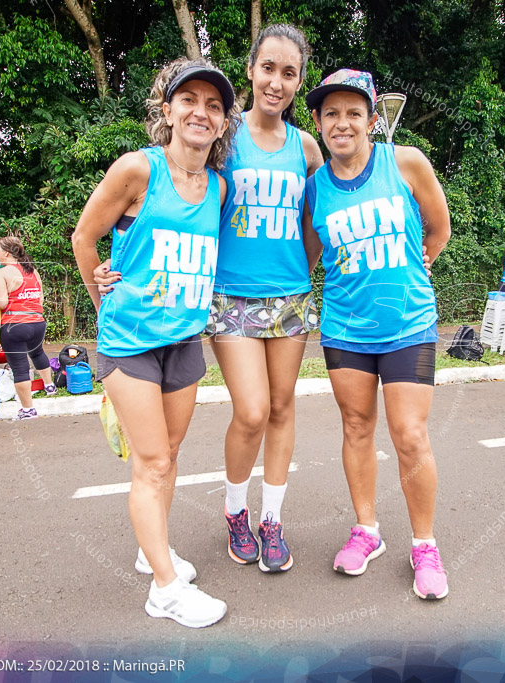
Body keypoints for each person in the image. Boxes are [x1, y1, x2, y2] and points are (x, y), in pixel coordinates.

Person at [72, 58, 237, 628]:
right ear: (166, 111)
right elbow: (84, 237)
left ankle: (153, 551)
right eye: (188, 99)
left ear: (222, 124)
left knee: (170, 456)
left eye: (213, 105)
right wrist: (102, 298)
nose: (201, 111)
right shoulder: (137, 171)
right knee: (152, 461)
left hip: (185, 342)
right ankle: (165, 591)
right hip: (131, 344)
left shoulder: (218, 187)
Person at [303, 69, 452, 600]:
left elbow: (439, 226)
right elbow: (305, 255)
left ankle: (425, 546)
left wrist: (422, 260)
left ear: (370, 119)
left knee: (410, 434)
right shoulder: (314, 187)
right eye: (331, 113)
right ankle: (367, 531)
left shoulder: (405, 162)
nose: (342, 123)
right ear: (318, 122)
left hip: (409, 325)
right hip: (345, 329)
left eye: (353, 113)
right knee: (356, 427)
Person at [206, 24, 324, 574]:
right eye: (268, 68)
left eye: (289, 72)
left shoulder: (306, 146)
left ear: (299, 82)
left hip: (291, 299)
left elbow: (319, 218)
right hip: (230, 298)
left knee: (282, 408)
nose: (277, 81)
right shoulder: (224, 136)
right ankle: (236, 512)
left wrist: (301, 268)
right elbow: (184, 193)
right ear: (250, 71)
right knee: (251, 411)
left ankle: (272, 520)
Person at [0, 236, 57, 418]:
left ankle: (28, 409)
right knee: (37, 353)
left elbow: (2, 302)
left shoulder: (1, 273)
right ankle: (49, 385)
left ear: (6, 252)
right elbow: (40, 297)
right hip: (37, 323)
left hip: (14, 326)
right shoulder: (32, 271)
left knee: (19, 367)